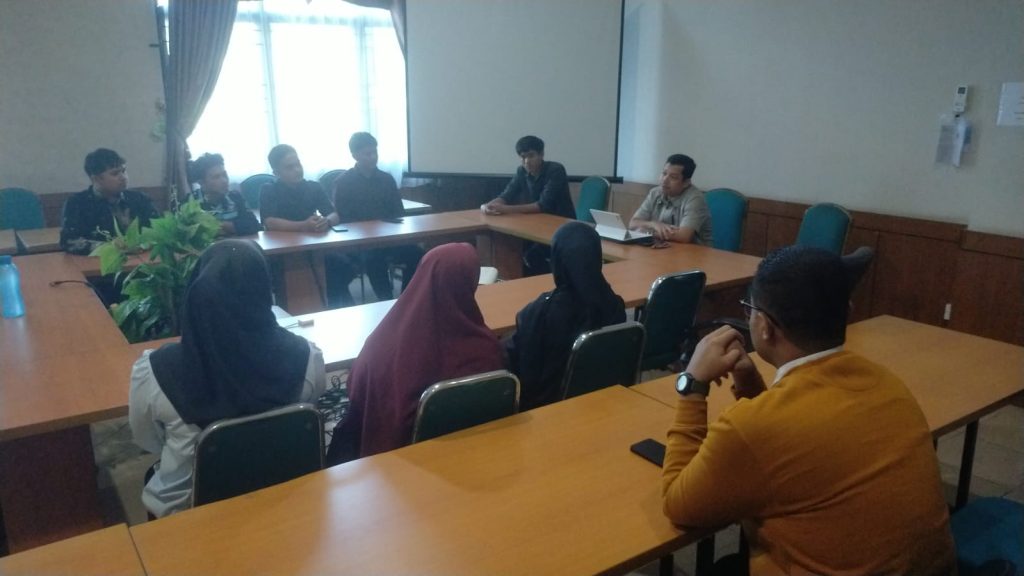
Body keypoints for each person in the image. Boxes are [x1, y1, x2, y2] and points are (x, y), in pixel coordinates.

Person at [662, 245, 954, 575]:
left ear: (765, 327)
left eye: (749, 309)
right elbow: (791, 442)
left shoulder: (754, 427)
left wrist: (692, 385)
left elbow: (678, 503)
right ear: (847, 310)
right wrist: (749, 382)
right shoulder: (889, 384)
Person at [129, 240, 325, 518]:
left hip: (187, 519)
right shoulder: (307, 358)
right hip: (285, 505)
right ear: (265, 292)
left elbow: (146, 441)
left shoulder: (155, 371)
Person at [326, 243, 504, 463]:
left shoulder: (380, 344)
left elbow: (356, 393)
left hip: (389, 462)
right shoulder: (485, 347)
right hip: (469, 460)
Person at [506, 222, 626, 410]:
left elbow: (525, 370)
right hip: (603, 403)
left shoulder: (540, 312)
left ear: (557, 261)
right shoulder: (614, 305)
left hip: (549, 411)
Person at [260, 144, 355, 307]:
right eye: (289, 167)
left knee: (342, 264)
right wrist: (303, 225)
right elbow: (269, 222)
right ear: (276, 173)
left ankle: (333, 304)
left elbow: (334, 214)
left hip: (315, 246)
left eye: (298, 164)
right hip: (283, 251)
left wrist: (326, 221)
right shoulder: (269, 190)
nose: (297, 170)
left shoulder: (313, 187)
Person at [333, 132, 423, 300]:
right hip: (361, 242)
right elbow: (343, 219)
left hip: (390, 237)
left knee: (418, 254)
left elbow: (399, 212)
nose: (373, 157)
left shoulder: (386, 179)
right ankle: (386, 301)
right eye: (367, 154)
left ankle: (405, 298)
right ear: (355, 156)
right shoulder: (344, 182)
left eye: (374, 152)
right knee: (374, 260)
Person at [481, 135, 576, 276]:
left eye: (531, 156)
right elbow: (507, 195)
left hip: (562, 227)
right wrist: (488, 206)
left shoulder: (555, 170)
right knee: (514, 246)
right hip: (538, 225)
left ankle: (549, 281)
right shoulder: (521, 171)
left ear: (541, 154)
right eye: (523, 157)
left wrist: (505, 209)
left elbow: (543, 205)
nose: (527, 161)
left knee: (531, 254)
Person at [60, 148, 158, 254]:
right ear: (96, 179)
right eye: (115, 174)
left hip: (141, 258)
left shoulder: (139, 199)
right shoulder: (77, 203)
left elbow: (158, 231)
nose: (123, 177)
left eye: (124, 171)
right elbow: (69, 241)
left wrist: (142, 244)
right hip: (97, 261)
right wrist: (110, 247)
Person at [628, 154, 712, 245]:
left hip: (694, 251)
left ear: (686, 183)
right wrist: (654, 224)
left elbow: (684, 236)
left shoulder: (695, 199)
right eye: (664, 173)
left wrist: (647, 232)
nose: (665, 180)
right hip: (664, 248)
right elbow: (633, 223)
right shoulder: (655, 193)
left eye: (673, 177)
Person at [190, 153, 260, 236]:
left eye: (224, 175)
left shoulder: (234, 197)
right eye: (216, 177)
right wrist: (234, 227)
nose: (224, 181)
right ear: (201, 182)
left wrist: (220, 225)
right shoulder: (190, 202)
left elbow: (254, 225)